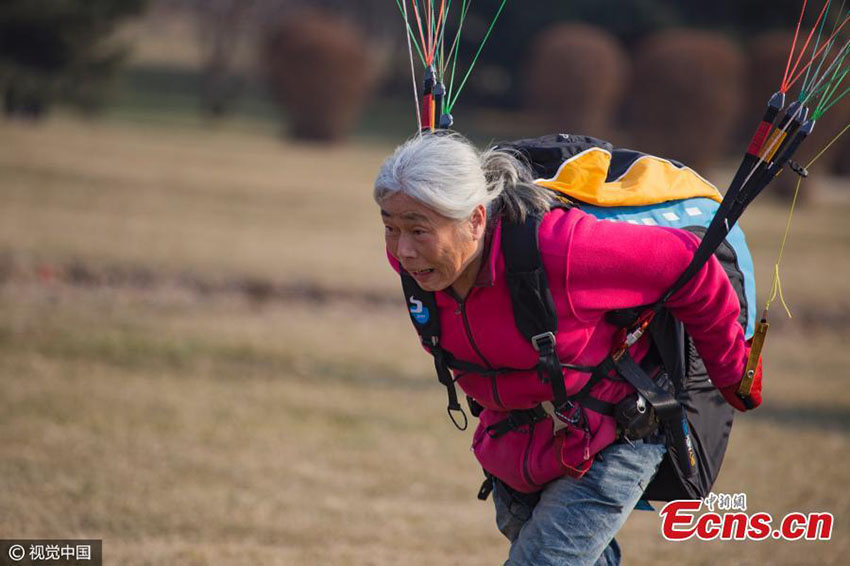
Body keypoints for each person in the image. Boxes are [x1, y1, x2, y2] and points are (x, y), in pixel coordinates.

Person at [373, 133, 762, 566]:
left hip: (614, 434)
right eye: (391, 227)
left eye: (419, 230)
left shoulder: (563, 248)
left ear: (476, 220)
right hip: (517, 446)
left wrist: (734, 372)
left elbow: (691, 266)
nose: (402, 251)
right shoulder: (420, 264)